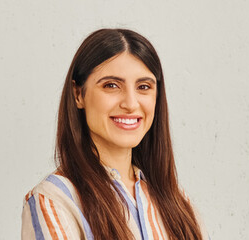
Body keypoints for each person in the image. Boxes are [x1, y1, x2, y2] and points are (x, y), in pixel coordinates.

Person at [21, 29, 205, 240]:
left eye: (143, 87)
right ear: (78, 94)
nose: (130, 103)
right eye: (111, 85)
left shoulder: (179, 204)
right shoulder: (54, 200)